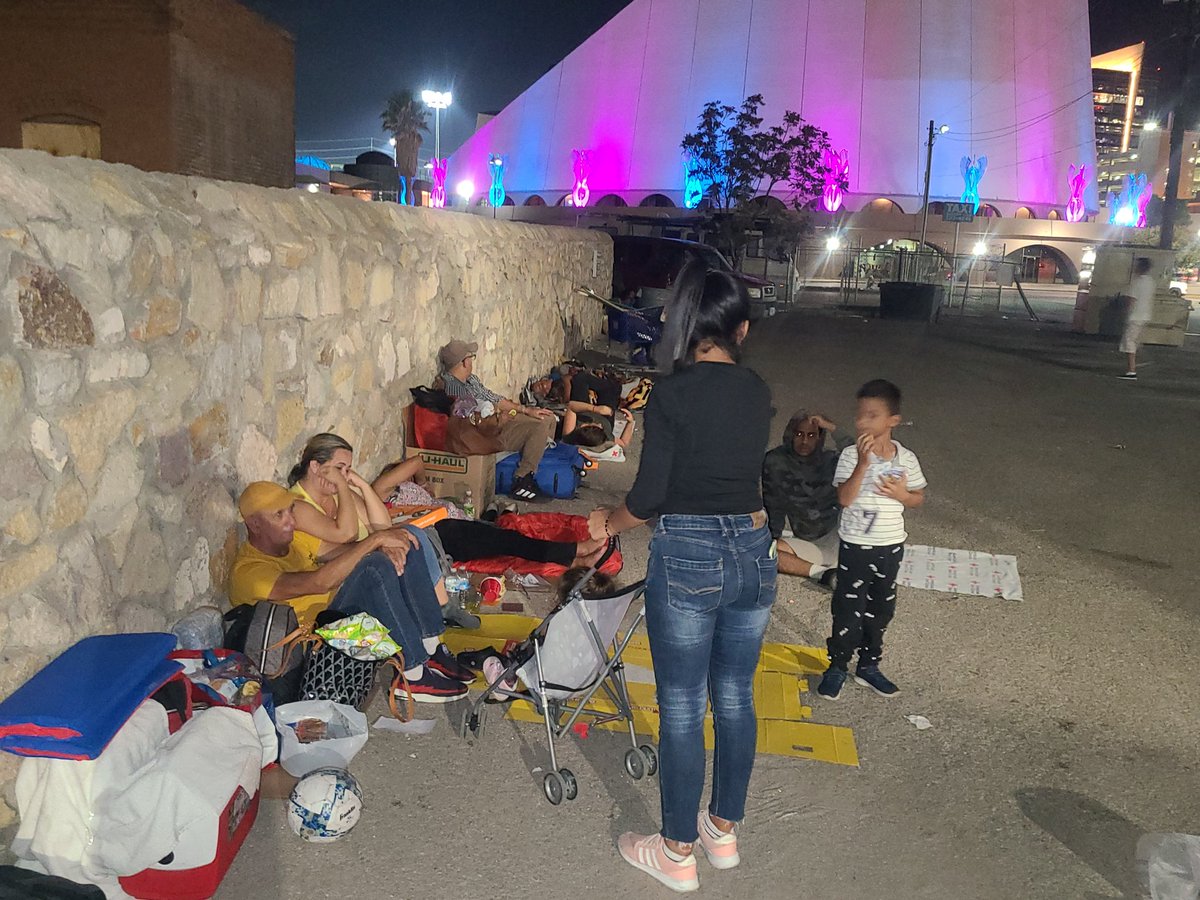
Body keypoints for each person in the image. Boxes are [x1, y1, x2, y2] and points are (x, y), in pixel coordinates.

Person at [585, 263, 775, 892]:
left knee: (684, 706)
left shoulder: (671, 394)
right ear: (739, 329)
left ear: (684, 325)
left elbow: (649, 496)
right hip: (752, 546)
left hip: (691, 549)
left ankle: (676, 852)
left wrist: (605, 523)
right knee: (735, 697)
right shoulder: (755, 390)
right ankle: (722, 832)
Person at [229, 482, 475, 703]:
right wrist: (375, 541)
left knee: (405, 540)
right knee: (374, 567)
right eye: (278, 515)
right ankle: (413, 674)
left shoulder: (294, 540)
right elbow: (319, 582)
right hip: (318, 648)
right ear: (254, 524)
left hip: (340, 621)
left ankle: (431, 648)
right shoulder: (249, 571)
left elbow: (345, 552)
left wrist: (387, 541)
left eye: (290, 511)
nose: (291, 521)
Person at [285, 433, 476, 629]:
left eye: (348, 470)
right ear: (316, 467)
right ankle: (434, 621)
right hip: (340, 579)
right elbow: (346, 534)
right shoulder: (297, 505)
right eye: (338, 468)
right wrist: (344, 487)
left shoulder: (340, 494)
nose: (344, 475)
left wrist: (362, 485)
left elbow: (382, 525)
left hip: (366, 559)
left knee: (412, 533)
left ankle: (440, 610)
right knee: (400, 551)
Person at [816, 379, 927, 702]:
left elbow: (918, 497)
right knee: (847, 608)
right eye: (860, 415)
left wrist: (903, 495)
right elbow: (845, 498)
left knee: (880, 608)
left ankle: (869, 665)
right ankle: (837, 665)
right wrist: (864, 465)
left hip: (890, 545)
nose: (863, 421)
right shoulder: (851, 456)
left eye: (872, 415)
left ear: (893, 421)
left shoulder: (905, 459)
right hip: (855, 546)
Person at [371, 459, 606, 569]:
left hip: (457, 524)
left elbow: (417, 465)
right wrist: (420, 482)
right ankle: (577, 552)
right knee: (513, 542)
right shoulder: (383, 492)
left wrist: (424, 487)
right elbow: (416, 462)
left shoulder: (405, 492)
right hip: (443, 533)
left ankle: (572, 559)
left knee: (513, 540)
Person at [438, 339, 556, 500]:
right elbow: (471, 422)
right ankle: (522, 479)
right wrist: (498, 418)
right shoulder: (453, 388)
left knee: (547, 418)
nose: (472, 361)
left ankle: (535, 455)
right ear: (464, 362)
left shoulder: (471, 380)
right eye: (471, 357)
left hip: (497, 419)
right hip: (487, 433)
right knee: (537, 428)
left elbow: (494, 398)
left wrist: (525, 410)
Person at [762, 410, 851, 584]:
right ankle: (826, 575)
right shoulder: (775, 461)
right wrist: (772, 538)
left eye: (811, 435)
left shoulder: (831, 460)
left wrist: (832, 427)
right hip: (810, 542)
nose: (804, 441)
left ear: (819, 438)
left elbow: (861, 455)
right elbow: (773, 504)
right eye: (799, 434)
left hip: (841, 536)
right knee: (766, 553)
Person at [1119, 256, 1154, 380]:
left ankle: (1131, 371)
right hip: (1145, 315)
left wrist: (1125, 312)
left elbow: (1132, 299)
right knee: (1135, 341)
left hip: (1135, 316)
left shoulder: (1137, 281)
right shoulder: (1150, 281)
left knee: (1129, 342)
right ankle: (1137, 364)